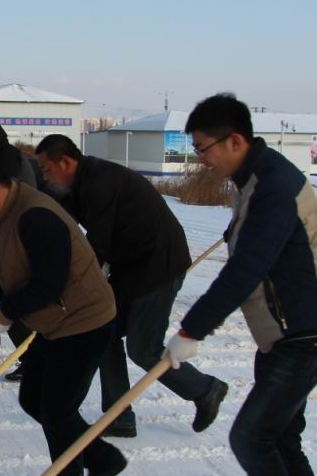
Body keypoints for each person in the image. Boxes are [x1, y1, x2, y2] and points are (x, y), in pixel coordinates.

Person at [169, 93, 317, 476]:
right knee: (281, 438)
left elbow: (249, 267)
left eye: (204, 148)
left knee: (252, 437)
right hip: (287, 333)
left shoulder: (274, 185)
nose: (201, 159)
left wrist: (192, 330)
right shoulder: (252, 180)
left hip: (305, 333)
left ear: (235, 140)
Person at [0, 150, 123, 476]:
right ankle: (103, 458)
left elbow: (50, 283)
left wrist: (3, 313)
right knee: (34, 399)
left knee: (57, 409)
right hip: (54, 323)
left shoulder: (36, 216)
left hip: (85, 320)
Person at [35, 134, 228, 439]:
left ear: (66, 162)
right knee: (104, 332)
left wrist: (73, 286)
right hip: (131, 266)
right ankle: (118, 414)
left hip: (160, 265)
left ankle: (205, 389)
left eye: (47, 169)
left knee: (143, 348)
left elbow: (95, 246)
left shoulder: (99, 182)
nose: (45, 176)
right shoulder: (74, 184)